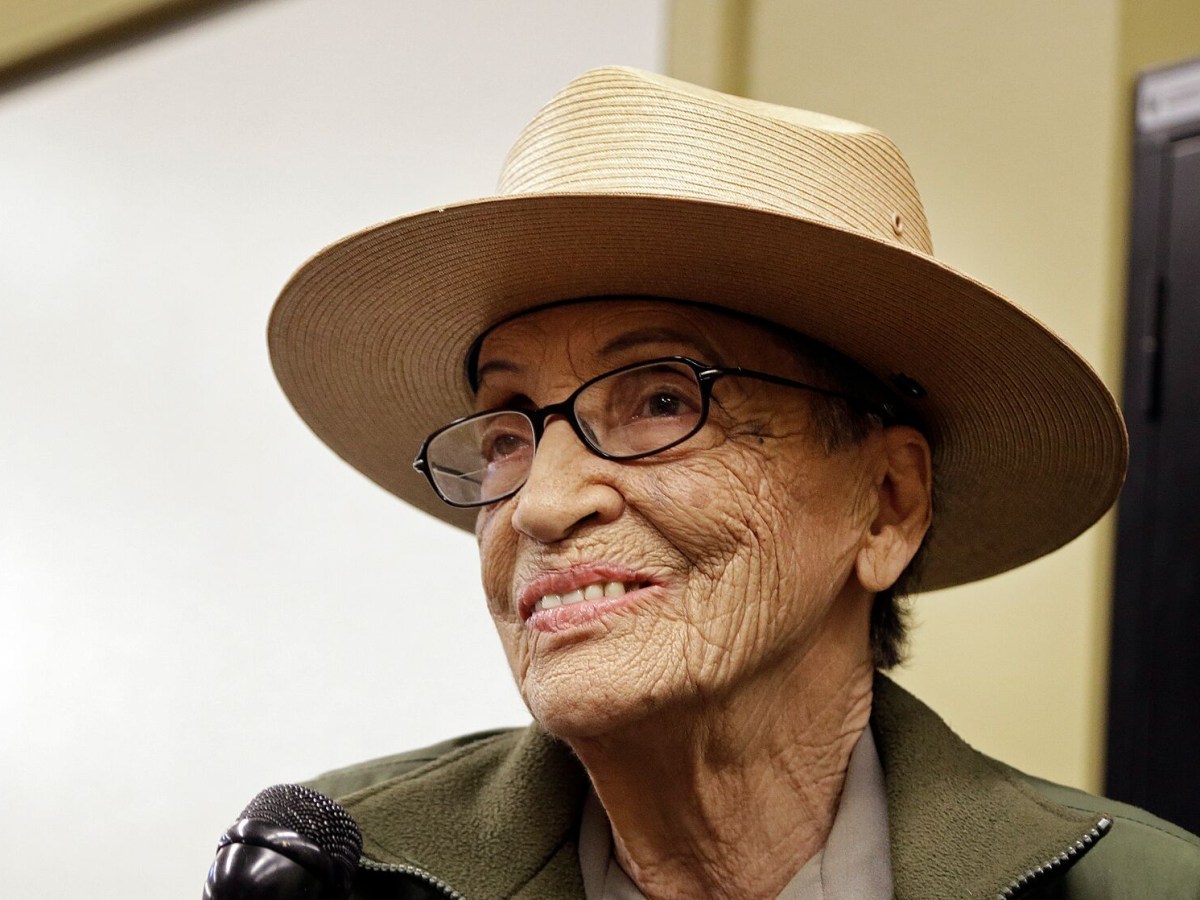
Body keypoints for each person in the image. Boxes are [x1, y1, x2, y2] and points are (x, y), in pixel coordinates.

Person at [266, 68, 1200, 899]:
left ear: (884, 505)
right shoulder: (335, 877)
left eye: (664, 400)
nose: (545, 505)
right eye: (508, 432)